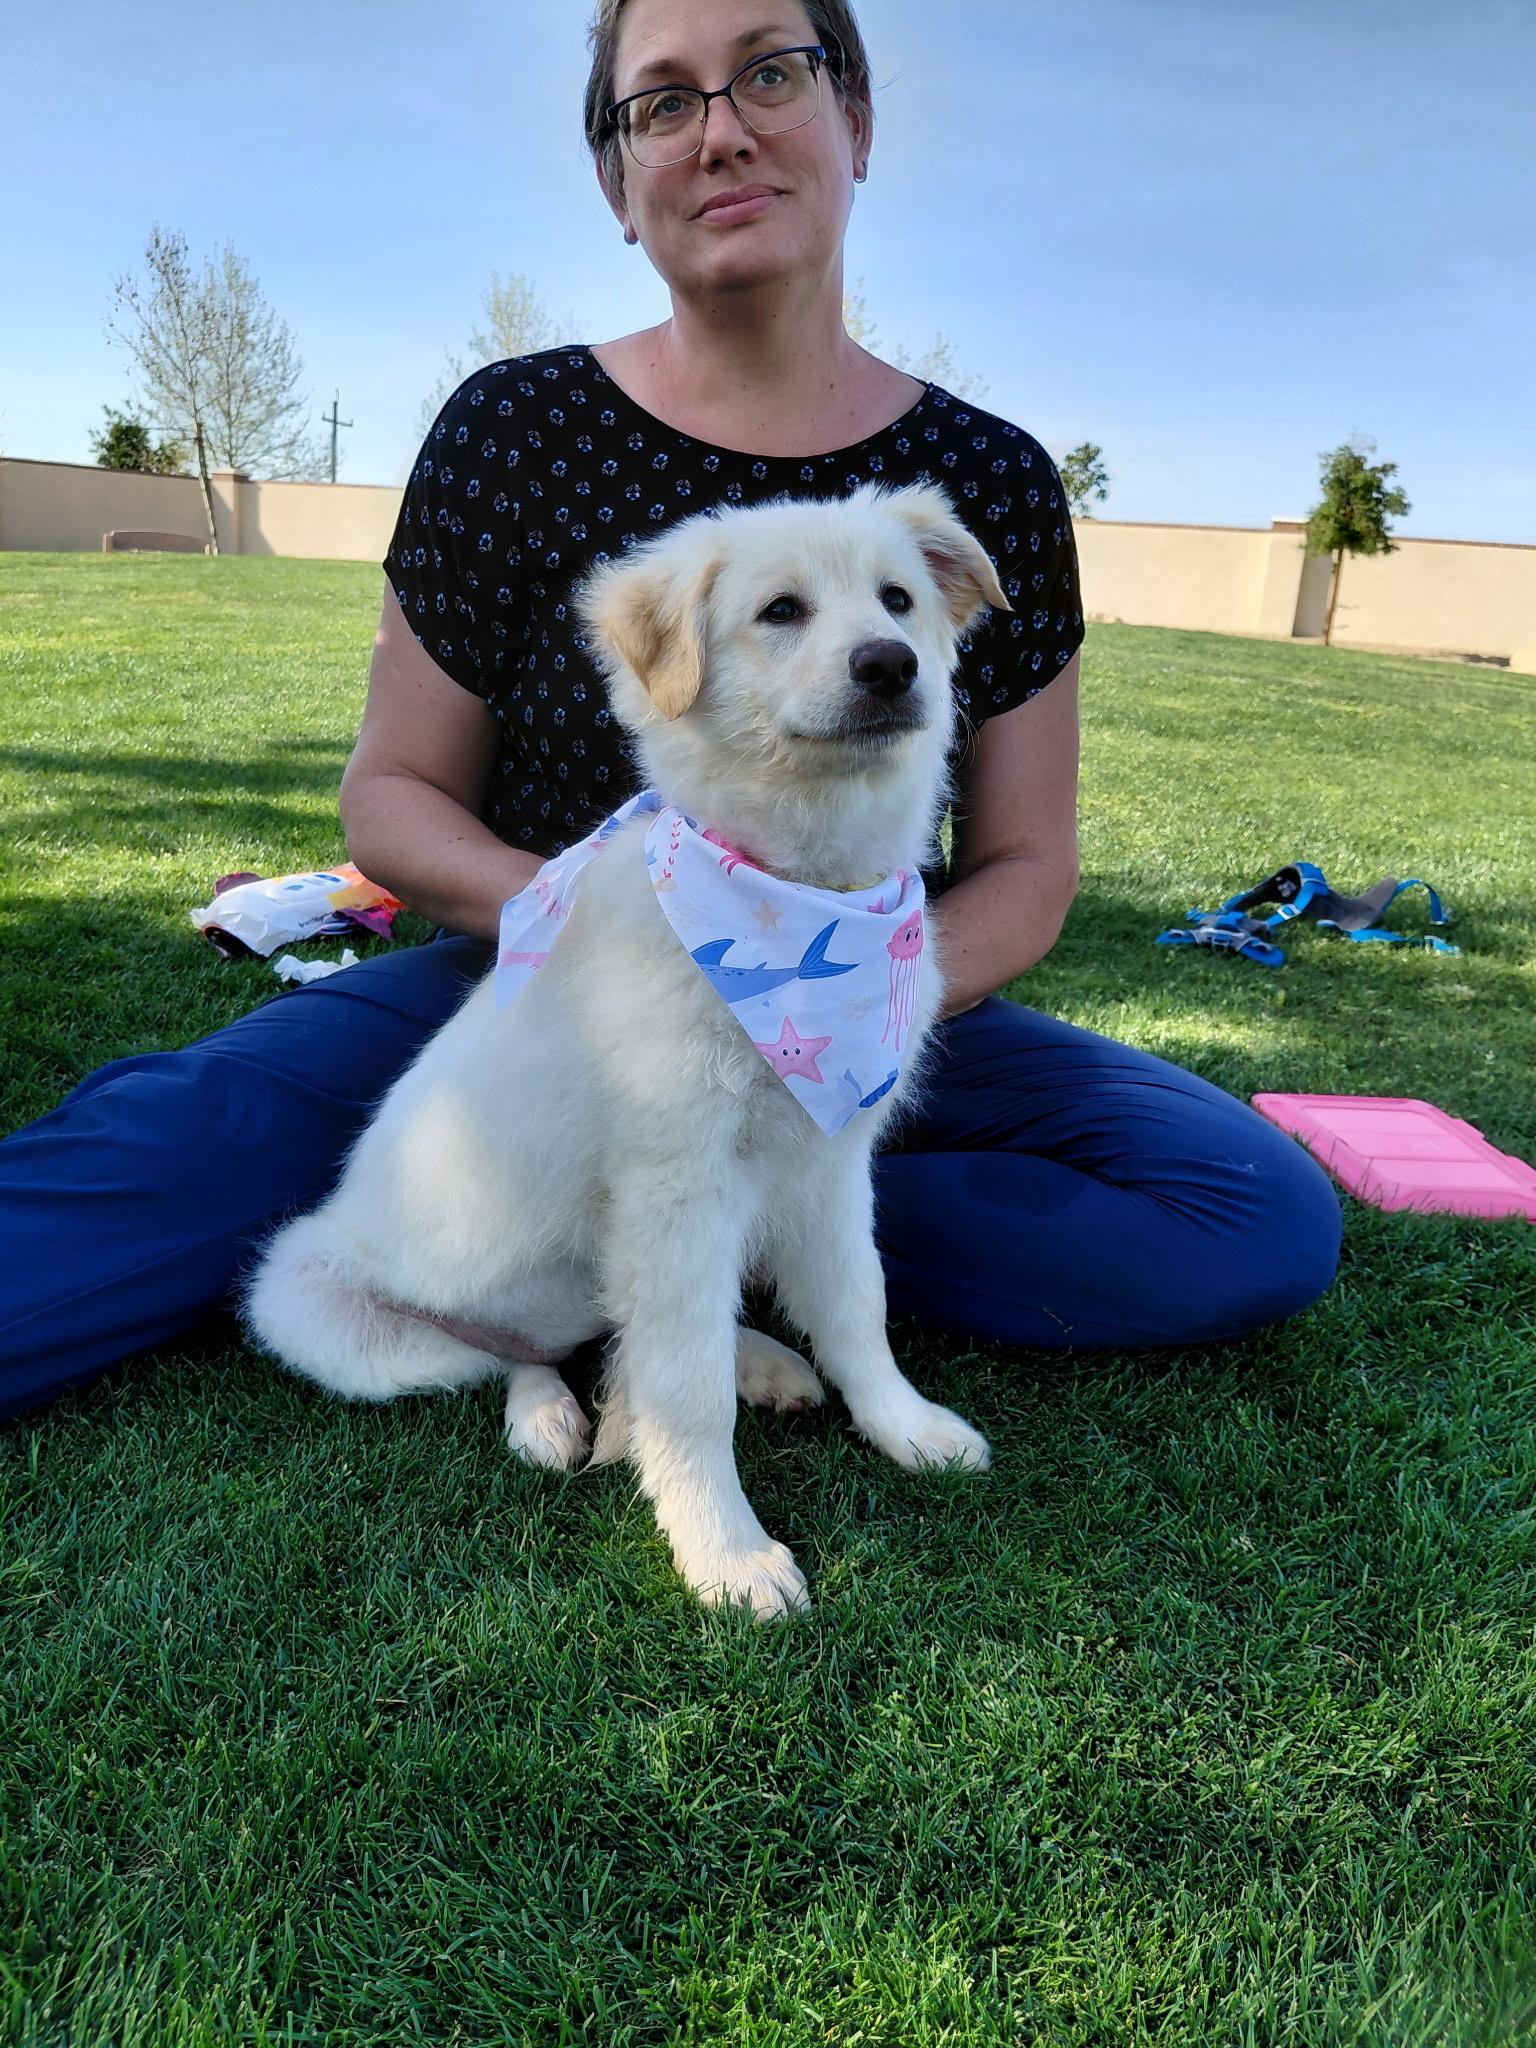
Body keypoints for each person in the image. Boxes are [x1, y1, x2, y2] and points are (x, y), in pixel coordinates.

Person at [0, 0, 1341, 1427]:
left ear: (855, 118)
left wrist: (827, 1016)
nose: (722, 133)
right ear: (616, 178)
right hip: (527, 988)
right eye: (662, 102)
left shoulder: (985, 479)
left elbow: (1029, 863)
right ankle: (638, 1223)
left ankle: (695, 1238)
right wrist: (610, 949)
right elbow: (391, 796)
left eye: (771, 72)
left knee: (1242, 1209)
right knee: (171, 1150)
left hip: (872, 990)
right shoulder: (516, 432)